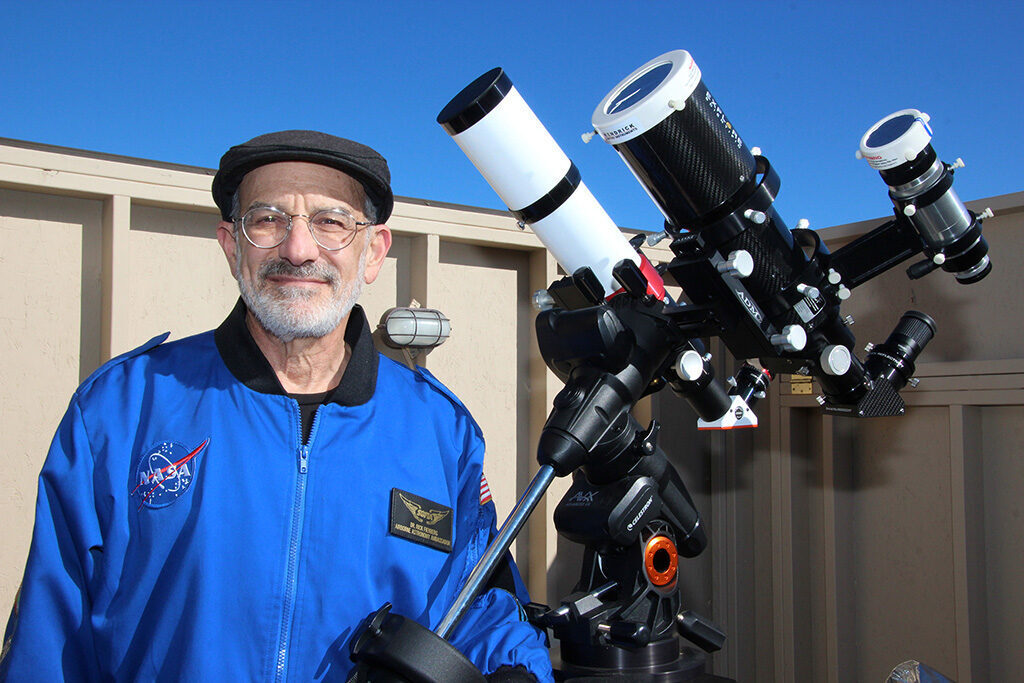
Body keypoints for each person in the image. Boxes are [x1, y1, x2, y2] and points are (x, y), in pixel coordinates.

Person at [0, 131, 553, 682]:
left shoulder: (441, 430)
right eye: (266, 219)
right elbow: (49, 635)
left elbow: (481, 600)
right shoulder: (120, 408)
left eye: (331, 222)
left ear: (374, 252)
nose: (298, 249)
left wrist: (518, 671)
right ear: (229, 244)